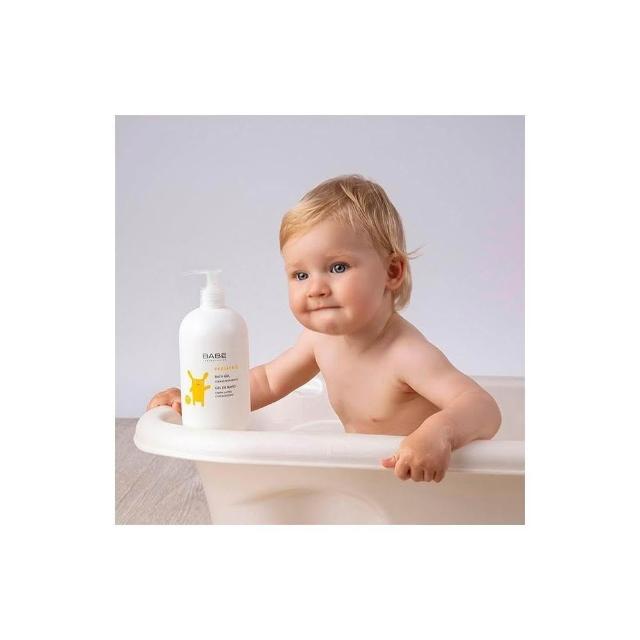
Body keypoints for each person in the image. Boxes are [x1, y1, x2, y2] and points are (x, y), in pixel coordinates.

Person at [147, 175, 501, 482]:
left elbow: (482, 407)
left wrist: (438, 434)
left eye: (338, 267)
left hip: (422, 483)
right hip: (369, 477)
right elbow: (266, 382)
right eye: (300, 274)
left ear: (392, 272)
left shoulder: (407, 354)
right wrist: (193, 399)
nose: (315, 288)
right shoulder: (319, 341)